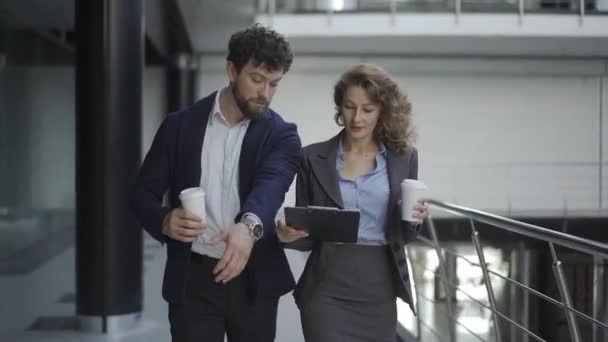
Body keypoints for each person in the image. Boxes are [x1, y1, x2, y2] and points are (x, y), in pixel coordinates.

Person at [132, 24, 301, 342]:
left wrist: (247, 227)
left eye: (274, 84)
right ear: (232, 70)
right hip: (193, 278)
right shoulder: (178, 127)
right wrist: (165, 220)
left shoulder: (283, 136)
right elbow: (142, 194)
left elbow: (271, 187)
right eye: (257, 79)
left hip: (254, 279)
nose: (265, 93)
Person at [277, 64, 428, 341]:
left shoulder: (404, 158)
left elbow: (404, 235)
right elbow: (308, 236)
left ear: (383, 110)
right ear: (339, 107)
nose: (357, 117)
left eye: (368, 109)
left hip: (379, 292)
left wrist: (414, 219)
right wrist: (287, 236)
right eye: (349, 107)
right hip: (326, 291)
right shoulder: (312, 158)